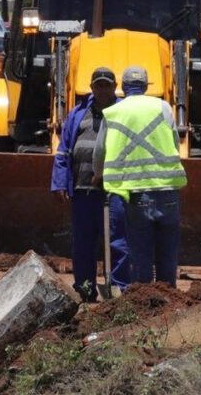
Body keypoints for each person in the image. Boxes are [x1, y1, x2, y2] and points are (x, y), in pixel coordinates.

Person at [93, 65, 187, 287]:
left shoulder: (114, 112)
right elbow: (174, 141)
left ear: (123, 87)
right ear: (145, 86)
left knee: (141, 252)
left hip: (137, 195)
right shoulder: (163, 107)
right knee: (168, 251)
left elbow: (100, 152)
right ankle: (168, 299)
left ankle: (145, 305)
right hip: (168, 192)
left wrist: (98, 175)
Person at [51, 66, 130, 301]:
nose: (103, 90)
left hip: (113, 192)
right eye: (99, 85)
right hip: (83, 192)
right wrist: (59, 183)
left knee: (117, 241)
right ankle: (85, 290)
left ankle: (118, 290)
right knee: (83, 243)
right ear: (92, 87)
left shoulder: (122, 113)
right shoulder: (78, 114)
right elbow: (64, 151)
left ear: (115, 87)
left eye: (107, 85)